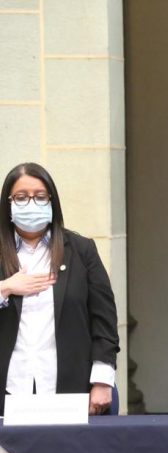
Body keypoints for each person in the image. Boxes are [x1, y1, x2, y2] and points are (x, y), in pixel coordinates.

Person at [0, 163, 119, 416]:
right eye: (21, 197)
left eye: (40, 196)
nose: (31, 203)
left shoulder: (81, 250)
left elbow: (104, 320)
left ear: (52, 201)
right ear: (8, 204)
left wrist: (102, 380)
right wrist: (5, 288)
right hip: (10, 387)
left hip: (69, 388)